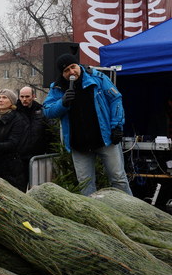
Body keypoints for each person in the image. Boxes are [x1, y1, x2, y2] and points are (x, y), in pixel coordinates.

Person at [43, 54, 132, 196]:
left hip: (105, 139)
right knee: (85, 184)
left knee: (119, 179)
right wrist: (63, 103)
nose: (71, 72)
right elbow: (47, 111)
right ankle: (94, 215)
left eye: (73, 67)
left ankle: (132, 212)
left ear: (78, 65)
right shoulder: (58, 87)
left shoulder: (98, 78)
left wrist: (117, 126)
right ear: (62, 73)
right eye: (66, 70)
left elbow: (115, 99)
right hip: (79, 145)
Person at [16, 86, 55, 184]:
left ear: (33, 96)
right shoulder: (14, 112)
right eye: (22, 97)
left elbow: (50, 133)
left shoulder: (42, 111)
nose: (24, 99)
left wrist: (49, 153)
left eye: (27, 96)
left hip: (39, 157)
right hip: (19, 159)